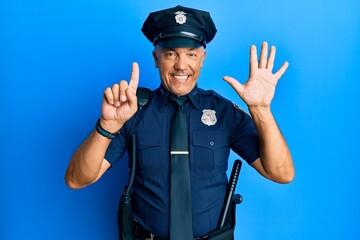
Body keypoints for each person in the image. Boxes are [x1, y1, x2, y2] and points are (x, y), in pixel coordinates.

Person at [65, 5, 295, 240]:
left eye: (191, 54)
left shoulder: (223, 112)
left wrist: (260, 110)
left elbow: (281, 173)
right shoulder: (131, 112)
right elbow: (77, 179)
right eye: (171, 53)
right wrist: (107, 127)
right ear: (156, 58)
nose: (181, 65)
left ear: (202, 58)